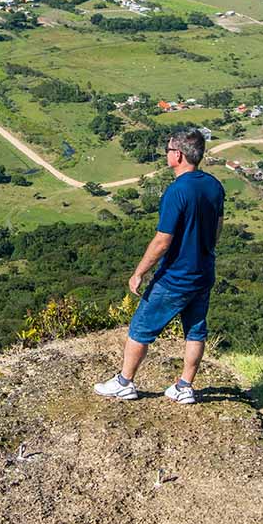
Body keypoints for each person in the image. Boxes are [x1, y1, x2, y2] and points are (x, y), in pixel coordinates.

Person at [93, 128, 224, 405]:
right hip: (203, 272)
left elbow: (163, 240)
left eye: (167, 150)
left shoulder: (177, 191)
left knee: (140, 329)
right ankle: (185, 386)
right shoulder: (214, 186)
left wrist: (139, 272)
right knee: (195, 330)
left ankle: (124, 382)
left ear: (177, 155)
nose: (166, 155)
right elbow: (217, 229)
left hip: (175, 276)